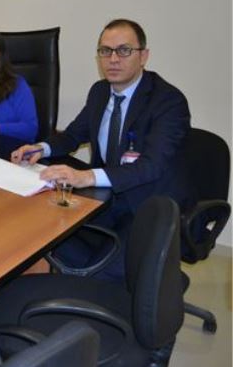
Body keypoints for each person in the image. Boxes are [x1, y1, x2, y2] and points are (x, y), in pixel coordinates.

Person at [10, 18, 191, 280]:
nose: (113, 59)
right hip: (107, 199)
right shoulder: (100, 92)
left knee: (103, 277)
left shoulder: (168, 101)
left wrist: (86, 176)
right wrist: (41, 148)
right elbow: (74, 135)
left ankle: (151, 285)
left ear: (143, 56)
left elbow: (151, 166)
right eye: (106, 51)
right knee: (38, 233)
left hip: (147, 204)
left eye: (124, 50)